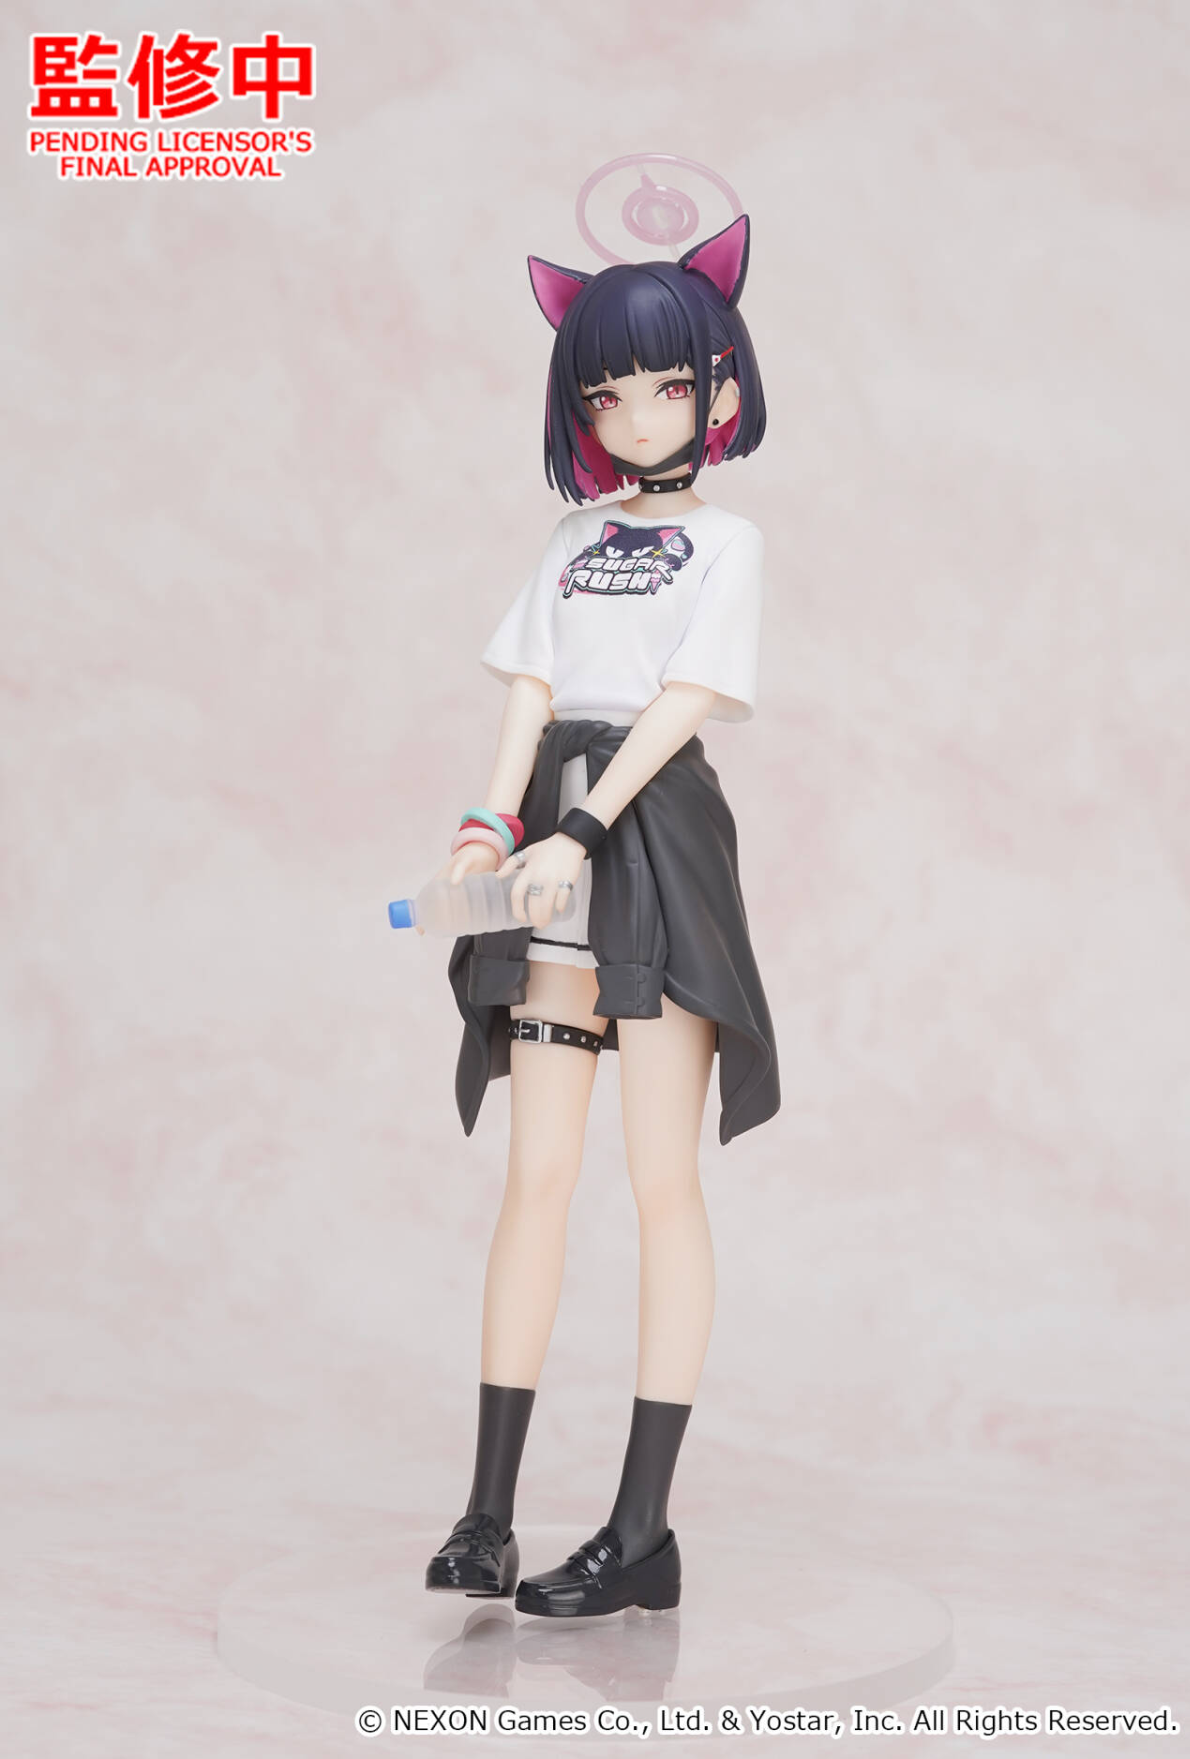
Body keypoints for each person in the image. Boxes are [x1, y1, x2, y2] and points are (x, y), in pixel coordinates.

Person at [424, 215, 780, 1618]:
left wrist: (579, 829)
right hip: (550, 856)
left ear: (719, 384)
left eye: (664, 384)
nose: (635, 415)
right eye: (605, 391)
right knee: (537, 1174)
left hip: (654, 847)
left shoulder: (729, 542)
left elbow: (684, 704)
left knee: (659, 1179)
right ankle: (486, 1516)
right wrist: (491, 819)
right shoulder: (572, 540)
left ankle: (641, 1532)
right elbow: (532, 685)